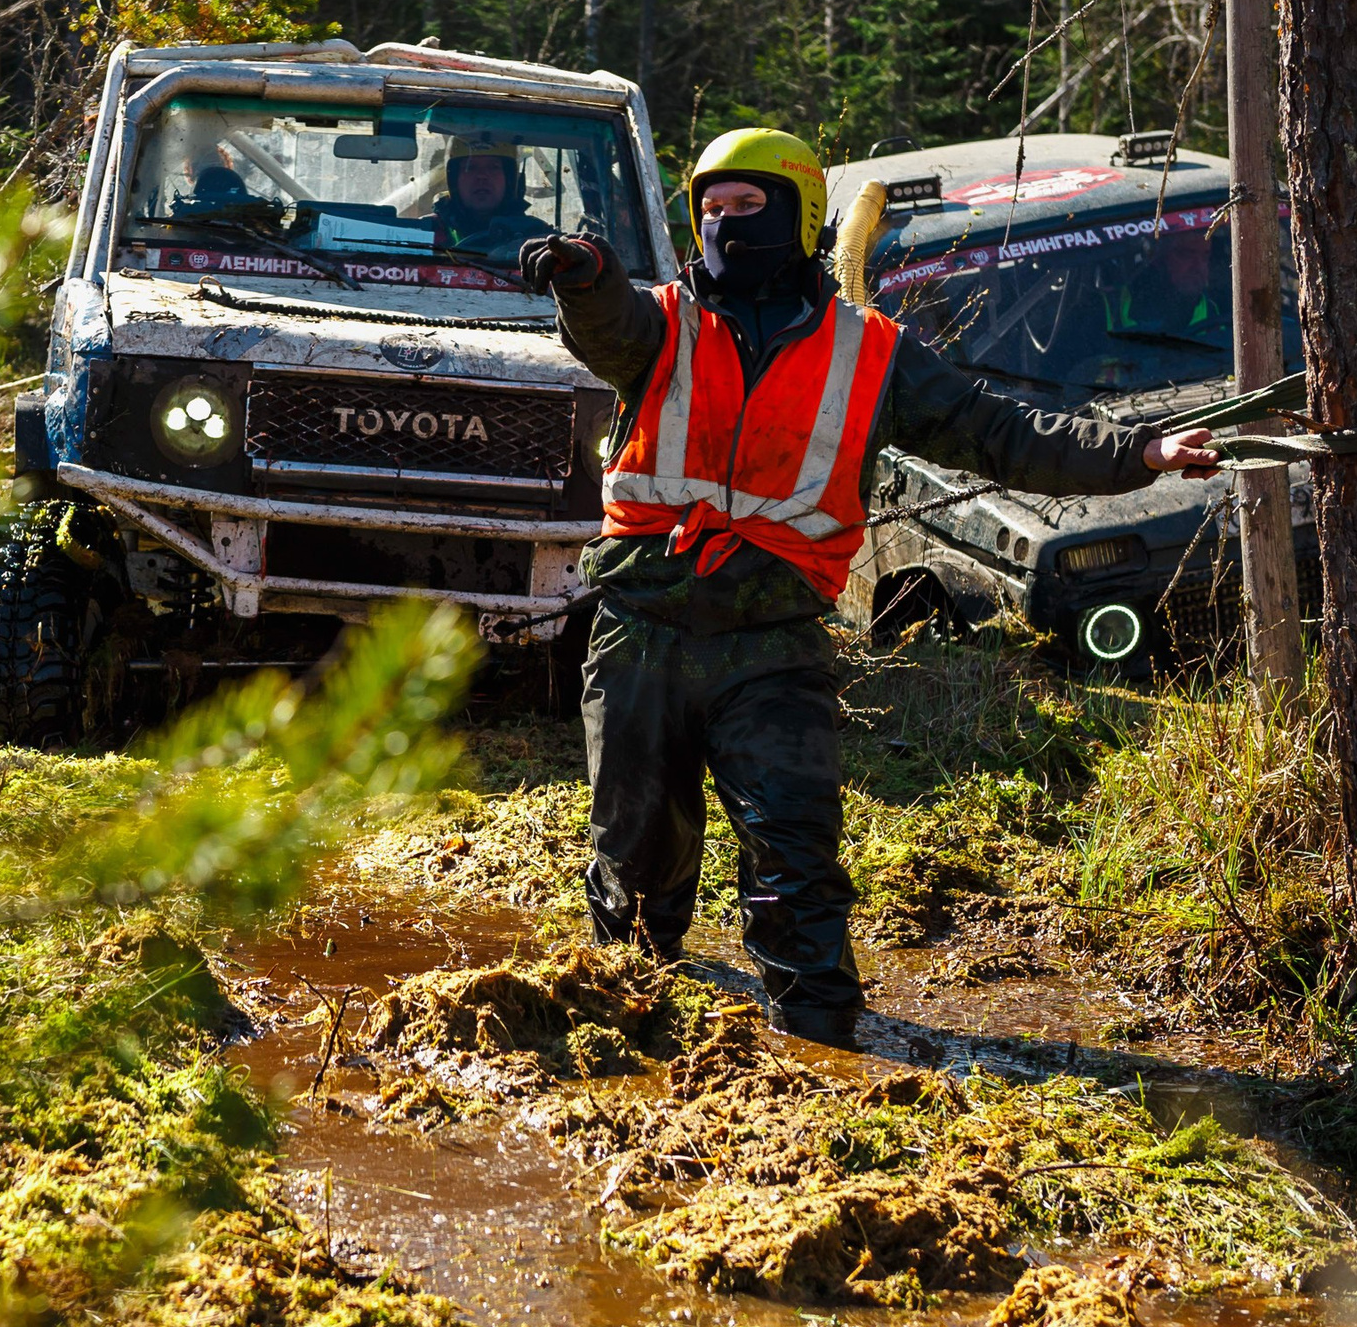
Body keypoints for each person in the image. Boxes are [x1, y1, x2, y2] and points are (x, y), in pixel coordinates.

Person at [519, 128, 1220, 1048]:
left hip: (774, 648)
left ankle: (819, 1051)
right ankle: (628, 1039)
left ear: (804, 215)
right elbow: (606, 324)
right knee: (636, 867)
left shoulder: (873, 354)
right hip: (642, 634)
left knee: (796, 868)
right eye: (711, 208)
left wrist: (1138, 453)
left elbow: (1003, 434)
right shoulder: (662, 324)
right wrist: (584, 275)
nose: (725, 225)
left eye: (747, 206)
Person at [433, 140, 550, 261]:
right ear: (454, 180)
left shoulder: (537, 236)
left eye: (493, 167)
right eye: (470, 167)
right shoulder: (428, 231)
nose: (482, 176)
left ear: (509, 179)